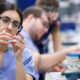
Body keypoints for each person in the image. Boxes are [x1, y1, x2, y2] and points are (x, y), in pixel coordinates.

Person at [21, 6, 80, 80]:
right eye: (44, 23)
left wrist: (49, 68)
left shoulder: (29, 40)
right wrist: (68, 52)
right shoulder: (20, 36)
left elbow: (31, 66)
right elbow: (37, 62)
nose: (46, 30)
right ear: (30, 18)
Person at [0, 2, 35, 80]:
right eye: (5, 20)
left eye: (15, 24)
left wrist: (19, 58)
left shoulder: (25, 55)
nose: (9, 27)